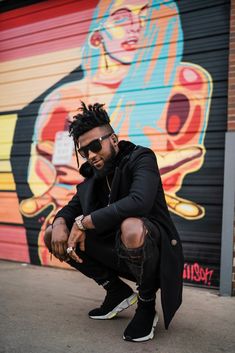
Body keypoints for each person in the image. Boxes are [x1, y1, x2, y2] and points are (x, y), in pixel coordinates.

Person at [44, 101, 184, 342]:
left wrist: (83, 223)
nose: (91, 156)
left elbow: (139, 201)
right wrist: (59, 224)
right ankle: (116, 291)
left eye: (95, 146)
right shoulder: (93, 178)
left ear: (114, 139)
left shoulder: (141, 158)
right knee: (52, 234)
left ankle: (146, 304)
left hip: (154, 255)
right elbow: (70, 209)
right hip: (118, 253)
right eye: (84, 151)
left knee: (131, 226)